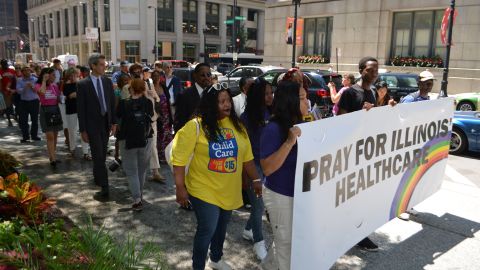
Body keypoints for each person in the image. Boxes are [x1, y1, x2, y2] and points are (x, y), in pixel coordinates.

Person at [172, 82, 262, 270]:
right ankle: (198, 266)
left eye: (228, 100)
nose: (227, 104)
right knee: (208, 228)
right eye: (221, 101)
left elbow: (247, 159)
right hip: (202, 188)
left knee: (222, 227)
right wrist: (180, 188)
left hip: (228, 189)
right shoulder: (195, 126)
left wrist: (255, 179)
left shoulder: (238, 127)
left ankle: (216, 258)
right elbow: (179, 160)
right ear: (211, 104)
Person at [260, 80, 309, 270]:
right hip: (280, 194)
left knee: (285, 240)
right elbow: (267, 168)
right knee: (286, 245)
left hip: (299, 193)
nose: (308, 102)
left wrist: (366, 114)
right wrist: (289, 142)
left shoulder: (303, 123)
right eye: (303, 98)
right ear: (291, 101)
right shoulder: (273, 129)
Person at [336, 56, 380, 251]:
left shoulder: (373, 93)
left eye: (376, 70)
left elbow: (375, 120)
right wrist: (361, 114)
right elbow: (340, 122)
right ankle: (344, 232)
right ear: (361, 70)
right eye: (370, 70)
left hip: (366, 152)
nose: (374, 73)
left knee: (362, 196)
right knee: (347, 196)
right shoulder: (349, 92)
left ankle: (359, 234)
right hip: (349, 153)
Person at [240, 77, 273, 261]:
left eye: (271, 93)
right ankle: (258, 243)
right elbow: (244, 150)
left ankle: (247, 230)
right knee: (259, 204)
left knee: (260, 205)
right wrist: (246, 176)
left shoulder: (271, 112)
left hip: (268, 166)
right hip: (253, 167)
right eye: (266, 94)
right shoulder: (246, 118)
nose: (270, 97)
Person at [77, 54, 117, 200]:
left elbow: (112, 103)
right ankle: (105, 186)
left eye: (104, 64)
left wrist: (114, 123)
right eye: (101, 64)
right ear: (93, 66)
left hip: (105, 124)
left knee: (100, 155)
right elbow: (80, 109)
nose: (104, 66)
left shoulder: (107, 82)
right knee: (99, 156)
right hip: (92, 126)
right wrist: (82, 130)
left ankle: (98, 177)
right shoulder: (83, 84)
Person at [116, 78, 154, 211]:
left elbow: (118, 119)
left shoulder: (123, 103)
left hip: (127, 139)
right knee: (142, 169)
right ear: (144, 89)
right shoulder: (148, 102)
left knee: (131, 171)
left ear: (130, 88)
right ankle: (139, 195)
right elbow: (151, 116)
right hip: (146, 139)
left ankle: (137, 199)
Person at [35, 68, 63, 168]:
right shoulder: (38, 85)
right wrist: (43, 81)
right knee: (50, 136)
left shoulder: (55, 86)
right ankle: (52, 158)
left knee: (55, 135)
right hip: (45, 111)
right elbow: (42, 93)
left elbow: (59, 99)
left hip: (55, 110)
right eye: (53, 75)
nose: (55, 77)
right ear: (46, 75)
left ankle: (53, 156)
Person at [174, 63, 212, 133]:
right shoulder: (184, 95)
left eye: (208, 75)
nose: (206, 77)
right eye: (202, 75)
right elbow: (179, 123)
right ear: (195, 76)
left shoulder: (214, 93)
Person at [63, 67, 90, 160]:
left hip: (82, 110)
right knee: (72, 132)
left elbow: (85, 95)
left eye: (75, 74)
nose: (73, 76)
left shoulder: (82, 84)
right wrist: (76, 94)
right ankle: (72, 150)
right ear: (68, 76)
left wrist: (75, 94)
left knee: (84, 131)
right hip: (71, 110)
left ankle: (86, 152)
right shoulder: (66, 85)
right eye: (71, 75)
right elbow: (70, 95)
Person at [151, 70, 173, 165]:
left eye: (158, 76)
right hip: (156, 116)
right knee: (159, 136)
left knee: (167, 136)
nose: (156, 77)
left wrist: (171, 115)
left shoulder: (163, 86)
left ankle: (167, 156)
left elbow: (168, 100)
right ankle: (159, 157)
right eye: (154, 76)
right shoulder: (150, 88)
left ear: (160, 77)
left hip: (166, 115)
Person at [16, 66, 40, 143]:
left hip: (34, 102)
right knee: (23, 120)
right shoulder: (19, 80)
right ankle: (25, 136)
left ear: (30, 71)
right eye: (25, 71)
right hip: (24, 102)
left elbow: (38, 90)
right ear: (22, 72)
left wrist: (32, 87)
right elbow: (18, 91)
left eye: (28, 70)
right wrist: (25, 87)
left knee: (35, 120)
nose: (27, 72)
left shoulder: (35, 79)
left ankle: (34, 135)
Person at [0, 59, 17, 127]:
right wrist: (2, 91)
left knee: (16, 105)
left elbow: (15, 80)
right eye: (3, 64)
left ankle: (15, 115)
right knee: (7, 106)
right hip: (5, 92)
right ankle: (9, 120)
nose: (5, 65)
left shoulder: (12, 71)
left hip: (13, 91)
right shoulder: (0, 71)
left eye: (5, 63)